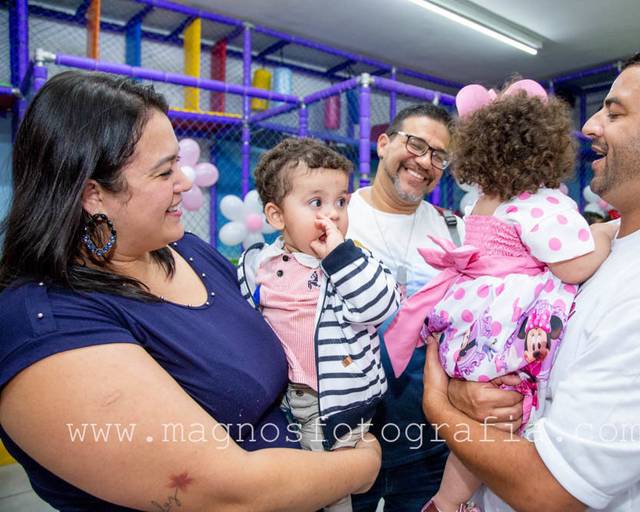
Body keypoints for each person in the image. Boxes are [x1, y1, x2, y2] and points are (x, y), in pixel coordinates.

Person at [0, 71, 380, 511]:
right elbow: (225, 492)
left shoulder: (185, 250)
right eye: (165, 172)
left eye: (178, 163)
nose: (184, 181)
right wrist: (361, 466)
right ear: (93, 195)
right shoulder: (48, 322)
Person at [422, 40, 640, 511]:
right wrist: (473, 394)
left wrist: (438, 404)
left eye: (615, 113)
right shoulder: (615, 243)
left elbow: (551, 490)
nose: (589, 126)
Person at [384, 79, 616, 512]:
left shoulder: (479, 203)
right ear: (546, 150)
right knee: (500, 424)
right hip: (504, 334)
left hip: (467, 328)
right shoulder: (536, 203)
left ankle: (447, 501)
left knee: (477, 426)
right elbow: (574, 266)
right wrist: (604, 234)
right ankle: (452, 501)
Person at [348, 103, 497, 511]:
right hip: (348, 441)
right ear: (383, 143)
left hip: (427, 444)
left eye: (438, 155)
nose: (424, 161)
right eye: (415, 144)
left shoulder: (456, 232)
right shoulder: (338, 218)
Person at [237, 138, 400, 511]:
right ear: (277, 216)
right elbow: (244, 319)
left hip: (335, 403)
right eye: (316, 203)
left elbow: (381, 306)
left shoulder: (353, 262)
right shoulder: (257, 264)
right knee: (286, 484)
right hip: (279, 400)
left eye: (341, 201)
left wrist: (340, 259)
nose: (333, 214)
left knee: (329, 488)